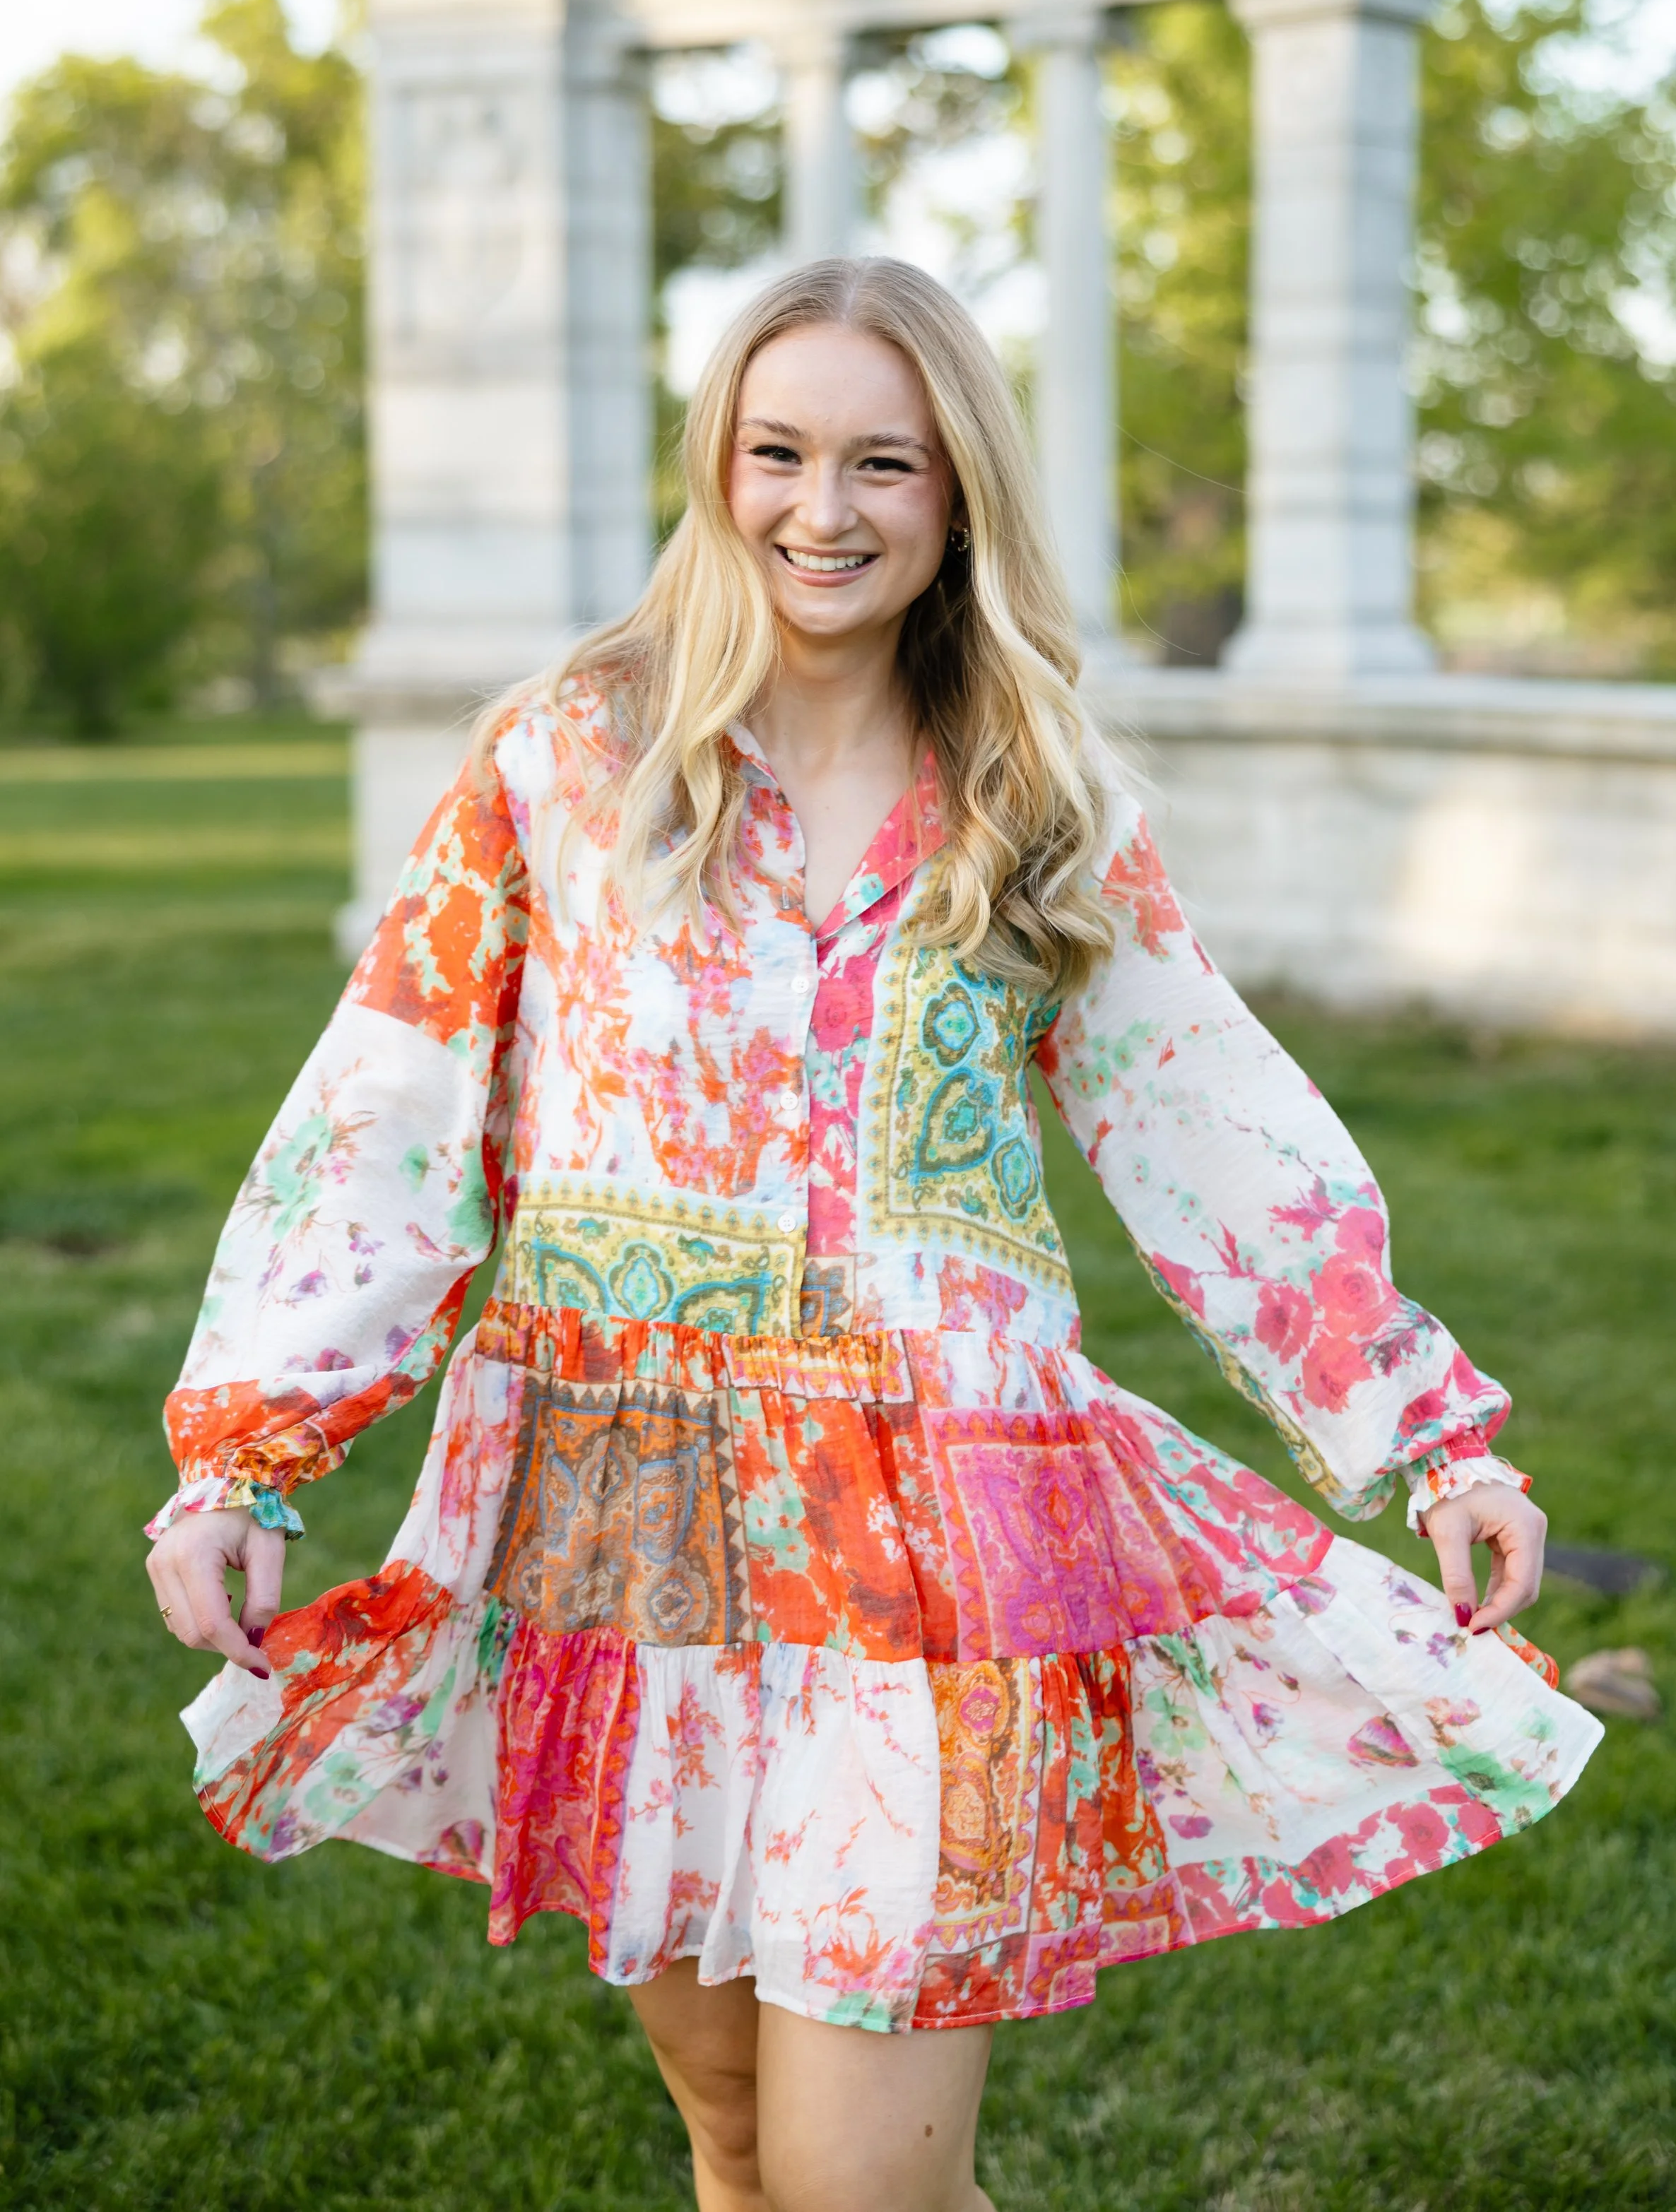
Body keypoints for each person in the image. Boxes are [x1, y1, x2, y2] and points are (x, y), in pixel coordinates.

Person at [146, 257, 1601, 2212]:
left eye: (881, 465)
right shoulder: (565, 757)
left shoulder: (1033, 790)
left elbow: (1204, 1117)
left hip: (927, 1544)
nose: (820, 510)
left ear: (955, 494)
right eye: (778, 451)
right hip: (617, 1511)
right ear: (717, 464)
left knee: (862, 2193)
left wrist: (1427, 1433)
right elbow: (384, 1111)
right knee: (740, 2144)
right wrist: (245, 1455)